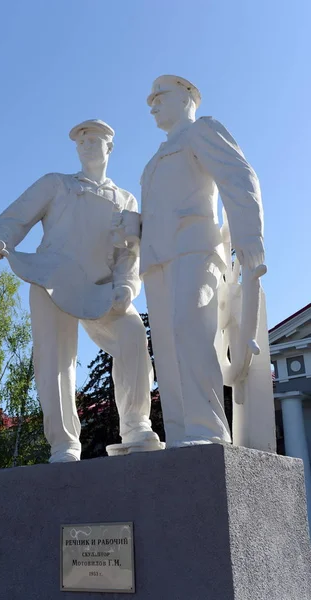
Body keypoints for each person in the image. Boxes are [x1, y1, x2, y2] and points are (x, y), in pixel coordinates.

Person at [0, 119, 161, 462]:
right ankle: (64, 443)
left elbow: (129, 252)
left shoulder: (126, 200)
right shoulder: (56, 184)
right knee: (55, 361)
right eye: (81, 142)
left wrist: (125, 283)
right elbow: (16, 217)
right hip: (53, 280)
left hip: (100, 288)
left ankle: (136, 425)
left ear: (109, 148)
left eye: (94, 141)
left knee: (132, 336)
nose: (87, 146)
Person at [140, 75, 264, 448]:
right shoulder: (154, 161)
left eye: (160, 96)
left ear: (187, 97)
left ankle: (208, 430)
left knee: (191, 332)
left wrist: (249, 237)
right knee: (167, 348)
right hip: (157, 260)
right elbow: (156, 213)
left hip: (195, 248)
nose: (153, 104)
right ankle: (182, 435)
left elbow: (240, 178)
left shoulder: (201, 131)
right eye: (152, 100)